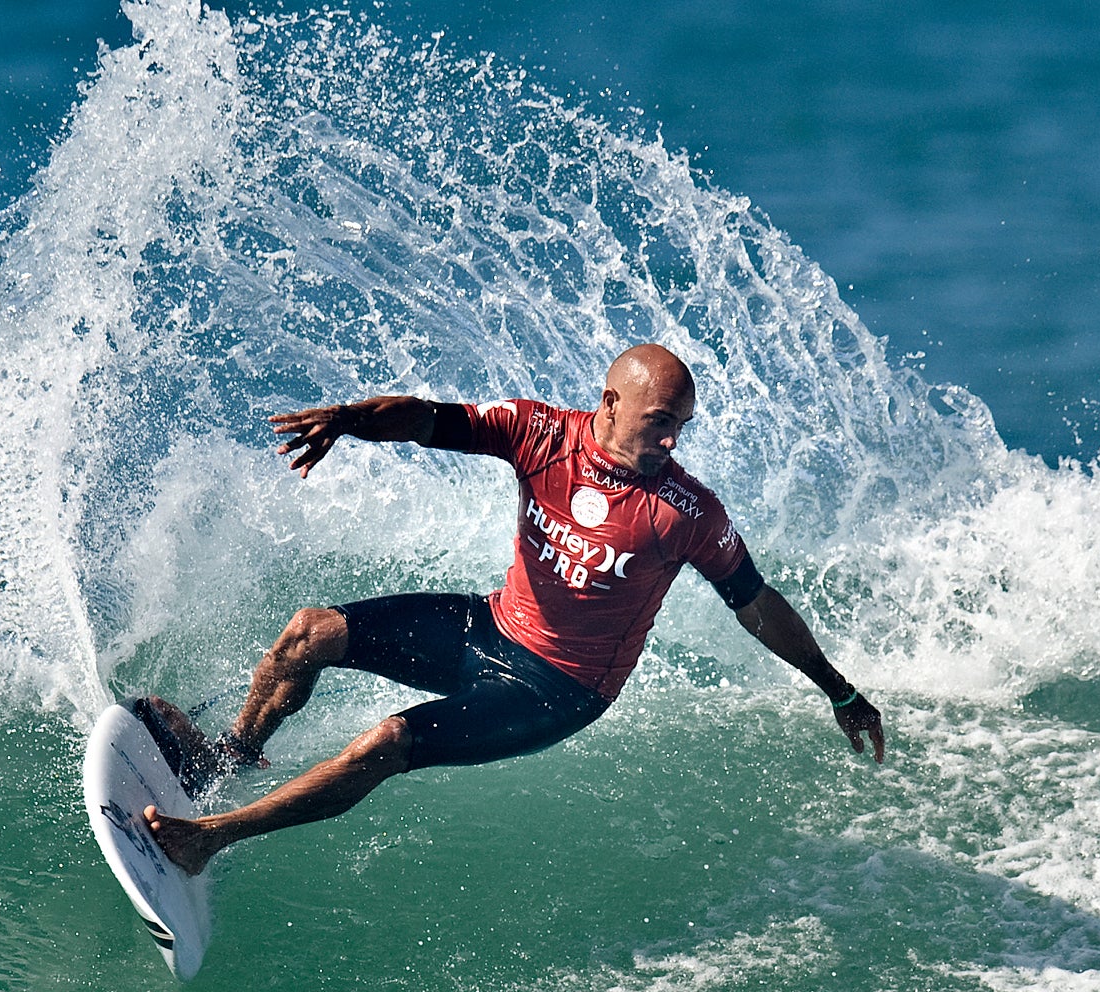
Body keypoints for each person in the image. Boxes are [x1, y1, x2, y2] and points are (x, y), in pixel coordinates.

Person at [138, 344, 886, 876]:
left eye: (681, 427)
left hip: (560, 688)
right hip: (490, 627)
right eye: (659, 420)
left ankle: (213, 837)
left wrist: (839, 689)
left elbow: (756, 604)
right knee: (309, 633)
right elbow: (433, 420)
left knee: (382, 745)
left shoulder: (685, 511)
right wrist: (347, 419)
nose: (669, 439)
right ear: (610, 403)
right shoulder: (541, 434)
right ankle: (231, 756)